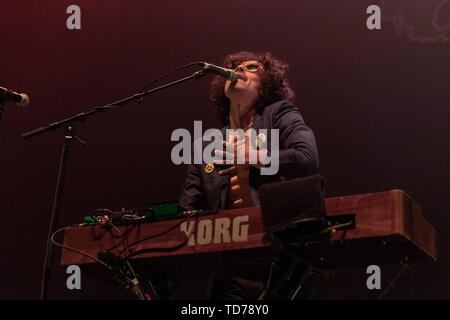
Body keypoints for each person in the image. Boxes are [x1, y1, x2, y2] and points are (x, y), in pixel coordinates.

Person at [178, 51, 320, 299]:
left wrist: (255, 156)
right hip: (230, 267)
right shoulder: (207, 146)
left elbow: (307, 159)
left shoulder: (280, 114)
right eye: (235, 67)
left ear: (266, 85)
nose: (239, 70)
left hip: (279, 262)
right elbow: (189, 210)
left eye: (251, 68)